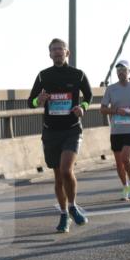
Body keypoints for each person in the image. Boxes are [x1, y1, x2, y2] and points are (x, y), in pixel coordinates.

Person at [27, 38, 93, 233]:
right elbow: (29, 102)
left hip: (72, 129)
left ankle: (72, 206)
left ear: (67, 53)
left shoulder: (78, 75)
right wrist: (37, 101)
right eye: (54, 50)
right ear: (49, 54)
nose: (57, 52)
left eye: (60, 49)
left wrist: (83, 107)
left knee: (66, 170)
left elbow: (89, 96)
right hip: (50, 131)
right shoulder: (43, 76)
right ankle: (64, 214)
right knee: (57, 177)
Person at [101, 60, 130, 201]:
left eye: (123, 70)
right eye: (118, 70)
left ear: (129, 72)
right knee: (119, 162)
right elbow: (102, 108)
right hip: (116, 129)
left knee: (125, 158)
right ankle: (125, 186)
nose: (121, 72)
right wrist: (115, 110)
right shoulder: (111, 89)